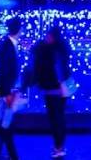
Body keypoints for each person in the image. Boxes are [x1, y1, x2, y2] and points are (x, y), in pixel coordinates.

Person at [29, 23, 74, 159]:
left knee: (55, 118)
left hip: (53, 88)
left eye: (48, 35)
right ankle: (60, 146)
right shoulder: (62, 49)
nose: (46, 37)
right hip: (63, 88)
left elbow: (50, 69)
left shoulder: (48, 51)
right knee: (60, 117)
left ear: (52, 36)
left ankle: (58, 147)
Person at [0, 17, 24, 160]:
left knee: (6, 122)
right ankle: (13, 155)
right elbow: (5, 71)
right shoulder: (8, 47)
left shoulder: (8, 45)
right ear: (19, 29)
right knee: (7, 122)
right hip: (7, 92)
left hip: (8, 90)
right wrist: (8, 92)